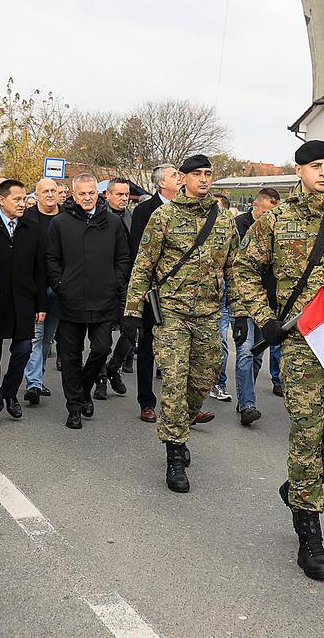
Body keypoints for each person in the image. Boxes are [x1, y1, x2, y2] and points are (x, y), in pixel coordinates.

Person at [229, 141, 324, 580]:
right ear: (298, 171)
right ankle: (309, 532)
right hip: (299, 343)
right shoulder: (276, 220)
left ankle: (297, 488)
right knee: (307, 428)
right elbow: (243, 270)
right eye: (316, 166)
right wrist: (264, 319)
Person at [124, 154, 237, 494]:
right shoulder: (164, 216)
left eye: (208, 174)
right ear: (183, 178)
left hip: (208, 315)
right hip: (171, 313)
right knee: (174, 381)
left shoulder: (224, 220)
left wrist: (242, 313)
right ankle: (175, 454)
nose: (204, 179)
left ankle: (180, 427)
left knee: (202, 380)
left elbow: (234, 269)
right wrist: (132, 312)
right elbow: (144, 265)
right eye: (197, 174)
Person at [44, 174, 130, 428]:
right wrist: (60, 285)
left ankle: (83, 390)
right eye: (81, 193)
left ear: (98, 193)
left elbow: (123, 257)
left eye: (91, 193)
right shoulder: (60, 223)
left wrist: (116, 281)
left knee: (102, 348)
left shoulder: (113, 223)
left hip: (103, 300)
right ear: (73, 194)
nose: (86, 197)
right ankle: (74, 406)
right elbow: (51, 259)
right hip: (70, 300)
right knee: (70, 356)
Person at [0, 179, 47, 426]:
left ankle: (9, 392)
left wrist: (41, 304)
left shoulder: (32, 227)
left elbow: (40, 268)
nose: (22, 203)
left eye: (24, 199)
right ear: (0, 199)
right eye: (17, 199)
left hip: (24, 300)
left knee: (23, 350)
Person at [117, 163, 179, 422]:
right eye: (175, 175)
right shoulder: (145, 210)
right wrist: (142, 289)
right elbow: (140, 254)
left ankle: (183, 405)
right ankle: (147, 402)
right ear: (161, 183)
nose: (180, 178)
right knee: (147, 348)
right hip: (153, 292)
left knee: (180, 352)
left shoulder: (188, 208)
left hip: (182, 293)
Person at [230, 186, 281, 426]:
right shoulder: (238, 226)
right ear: (255, 206)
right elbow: (236, 270)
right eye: (268, 211)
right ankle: (248, 404)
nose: (272, 216)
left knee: (257, 355)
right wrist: (238, 311)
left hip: (268, 303)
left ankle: (243, 396)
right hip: (243, 300)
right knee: (244, 351)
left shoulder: (279, 230)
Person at [22, 177, 63, 404]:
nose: (49, 194)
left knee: (48, 339)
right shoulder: (28, 219)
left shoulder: (67, 217)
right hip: (37, 287)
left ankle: (38, 378)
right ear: (36, 195)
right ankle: (34, 384)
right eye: (44, 191)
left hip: (60, 288)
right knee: (36, 337)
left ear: (58, 194)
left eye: (53, 191)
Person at [96, 177, 133, 397]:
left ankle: (113, 368)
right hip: (104, 284)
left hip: (127, 284)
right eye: (119, 194)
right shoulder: (100, 218)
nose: (124, 199)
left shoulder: (131, 216)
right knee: (103, 338)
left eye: (126, 194)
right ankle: (100, 377)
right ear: (107, 195)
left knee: (130, 332)